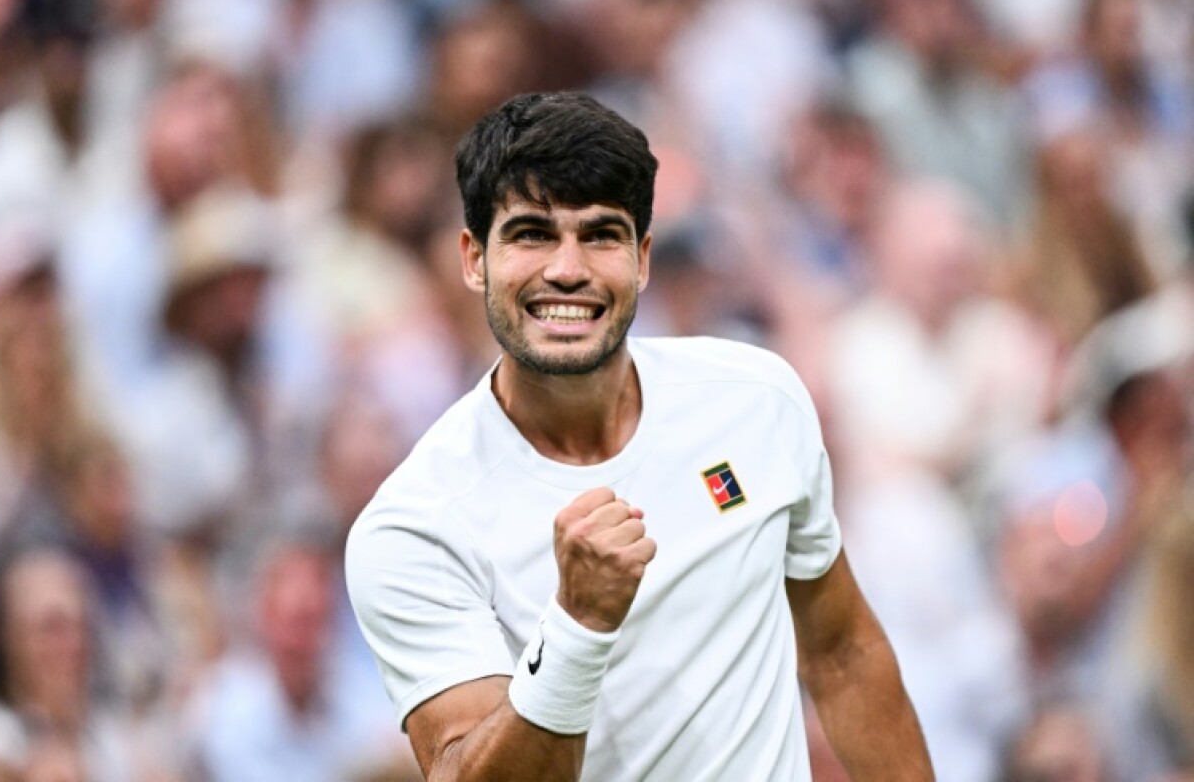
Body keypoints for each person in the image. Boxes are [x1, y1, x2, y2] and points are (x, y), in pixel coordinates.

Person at [345, 91, 933, 781]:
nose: (567, 268)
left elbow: (841, 654)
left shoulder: (757, 400)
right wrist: (576, 625)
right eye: (532, 233)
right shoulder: (414, 525)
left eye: (600, 234)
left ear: (643, 258)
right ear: (473, 259)